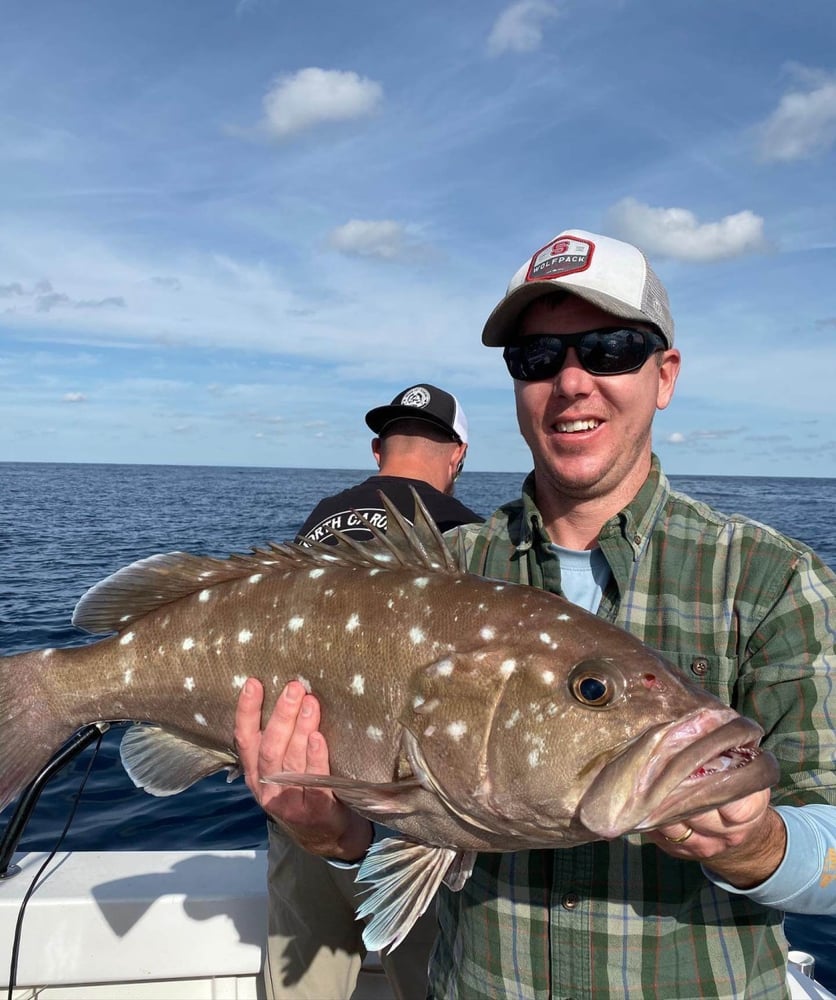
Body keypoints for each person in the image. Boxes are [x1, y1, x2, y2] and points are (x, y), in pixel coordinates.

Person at [236, 231, 836, 999]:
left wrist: (761, 846)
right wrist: (331, 833)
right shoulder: (444, 568)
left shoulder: (773, 578)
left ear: (666, 375)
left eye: (612, 348)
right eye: (537, 358)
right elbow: (396, 820)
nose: (573, 381)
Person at [261, 382, 482, 1000]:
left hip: (300, 790)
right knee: (425, 977)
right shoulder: (464, 537)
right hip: (410, 812)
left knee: (301, 977)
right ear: (458, 454)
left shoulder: (321, 520)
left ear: (377, 449)